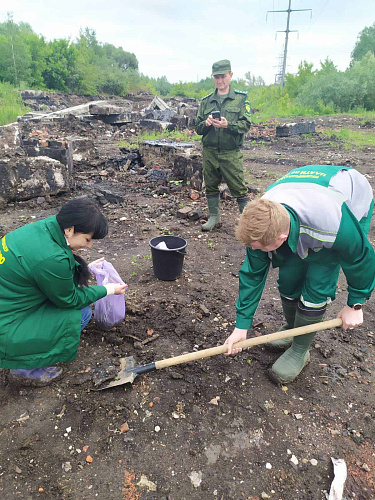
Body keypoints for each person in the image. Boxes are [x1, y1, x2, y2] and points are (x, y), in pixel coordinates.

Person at [224, 165, 375, 384]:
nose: (256, 251)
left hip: (349, 197)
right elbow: (253, 274)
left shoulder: (333, 224)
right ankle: (294, 328)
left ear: (282, 236)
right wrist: (242, 325)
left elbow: (361, 256)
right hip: (304, 194)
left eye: (260, 248)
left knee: (317, 281)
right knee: (289, 276)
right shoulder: (259, 225)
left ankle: (300, 350)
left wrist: (355, 304)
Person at [0, 197, 126, 384]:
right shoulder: (52, 258)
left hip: (10, 301)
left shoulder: (44, 228)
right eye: (88, 239)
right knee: (80, 313)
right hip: (9, 324)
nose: (89, 245)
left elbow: (42, 272)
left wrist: (87, 268)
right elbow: (70, 300)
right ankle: (24, 368)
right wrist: (107, 290)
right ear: (70, 230)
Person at [195, 59, 252, 231]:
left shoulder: (241, 99)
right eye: (216, 77)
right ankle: (214, 218)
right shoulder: (206, 101)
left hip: (230, 153)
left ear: (230, 75)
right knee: (211, 185)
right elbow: (197, 129)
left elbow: (246, 125)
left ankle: (248, 224)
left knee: (239, 188)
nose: (220, 81)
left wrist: (229, 125)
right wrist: (206, 123)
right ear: (213, 78)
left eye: (223, 76)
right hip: (210, 152)